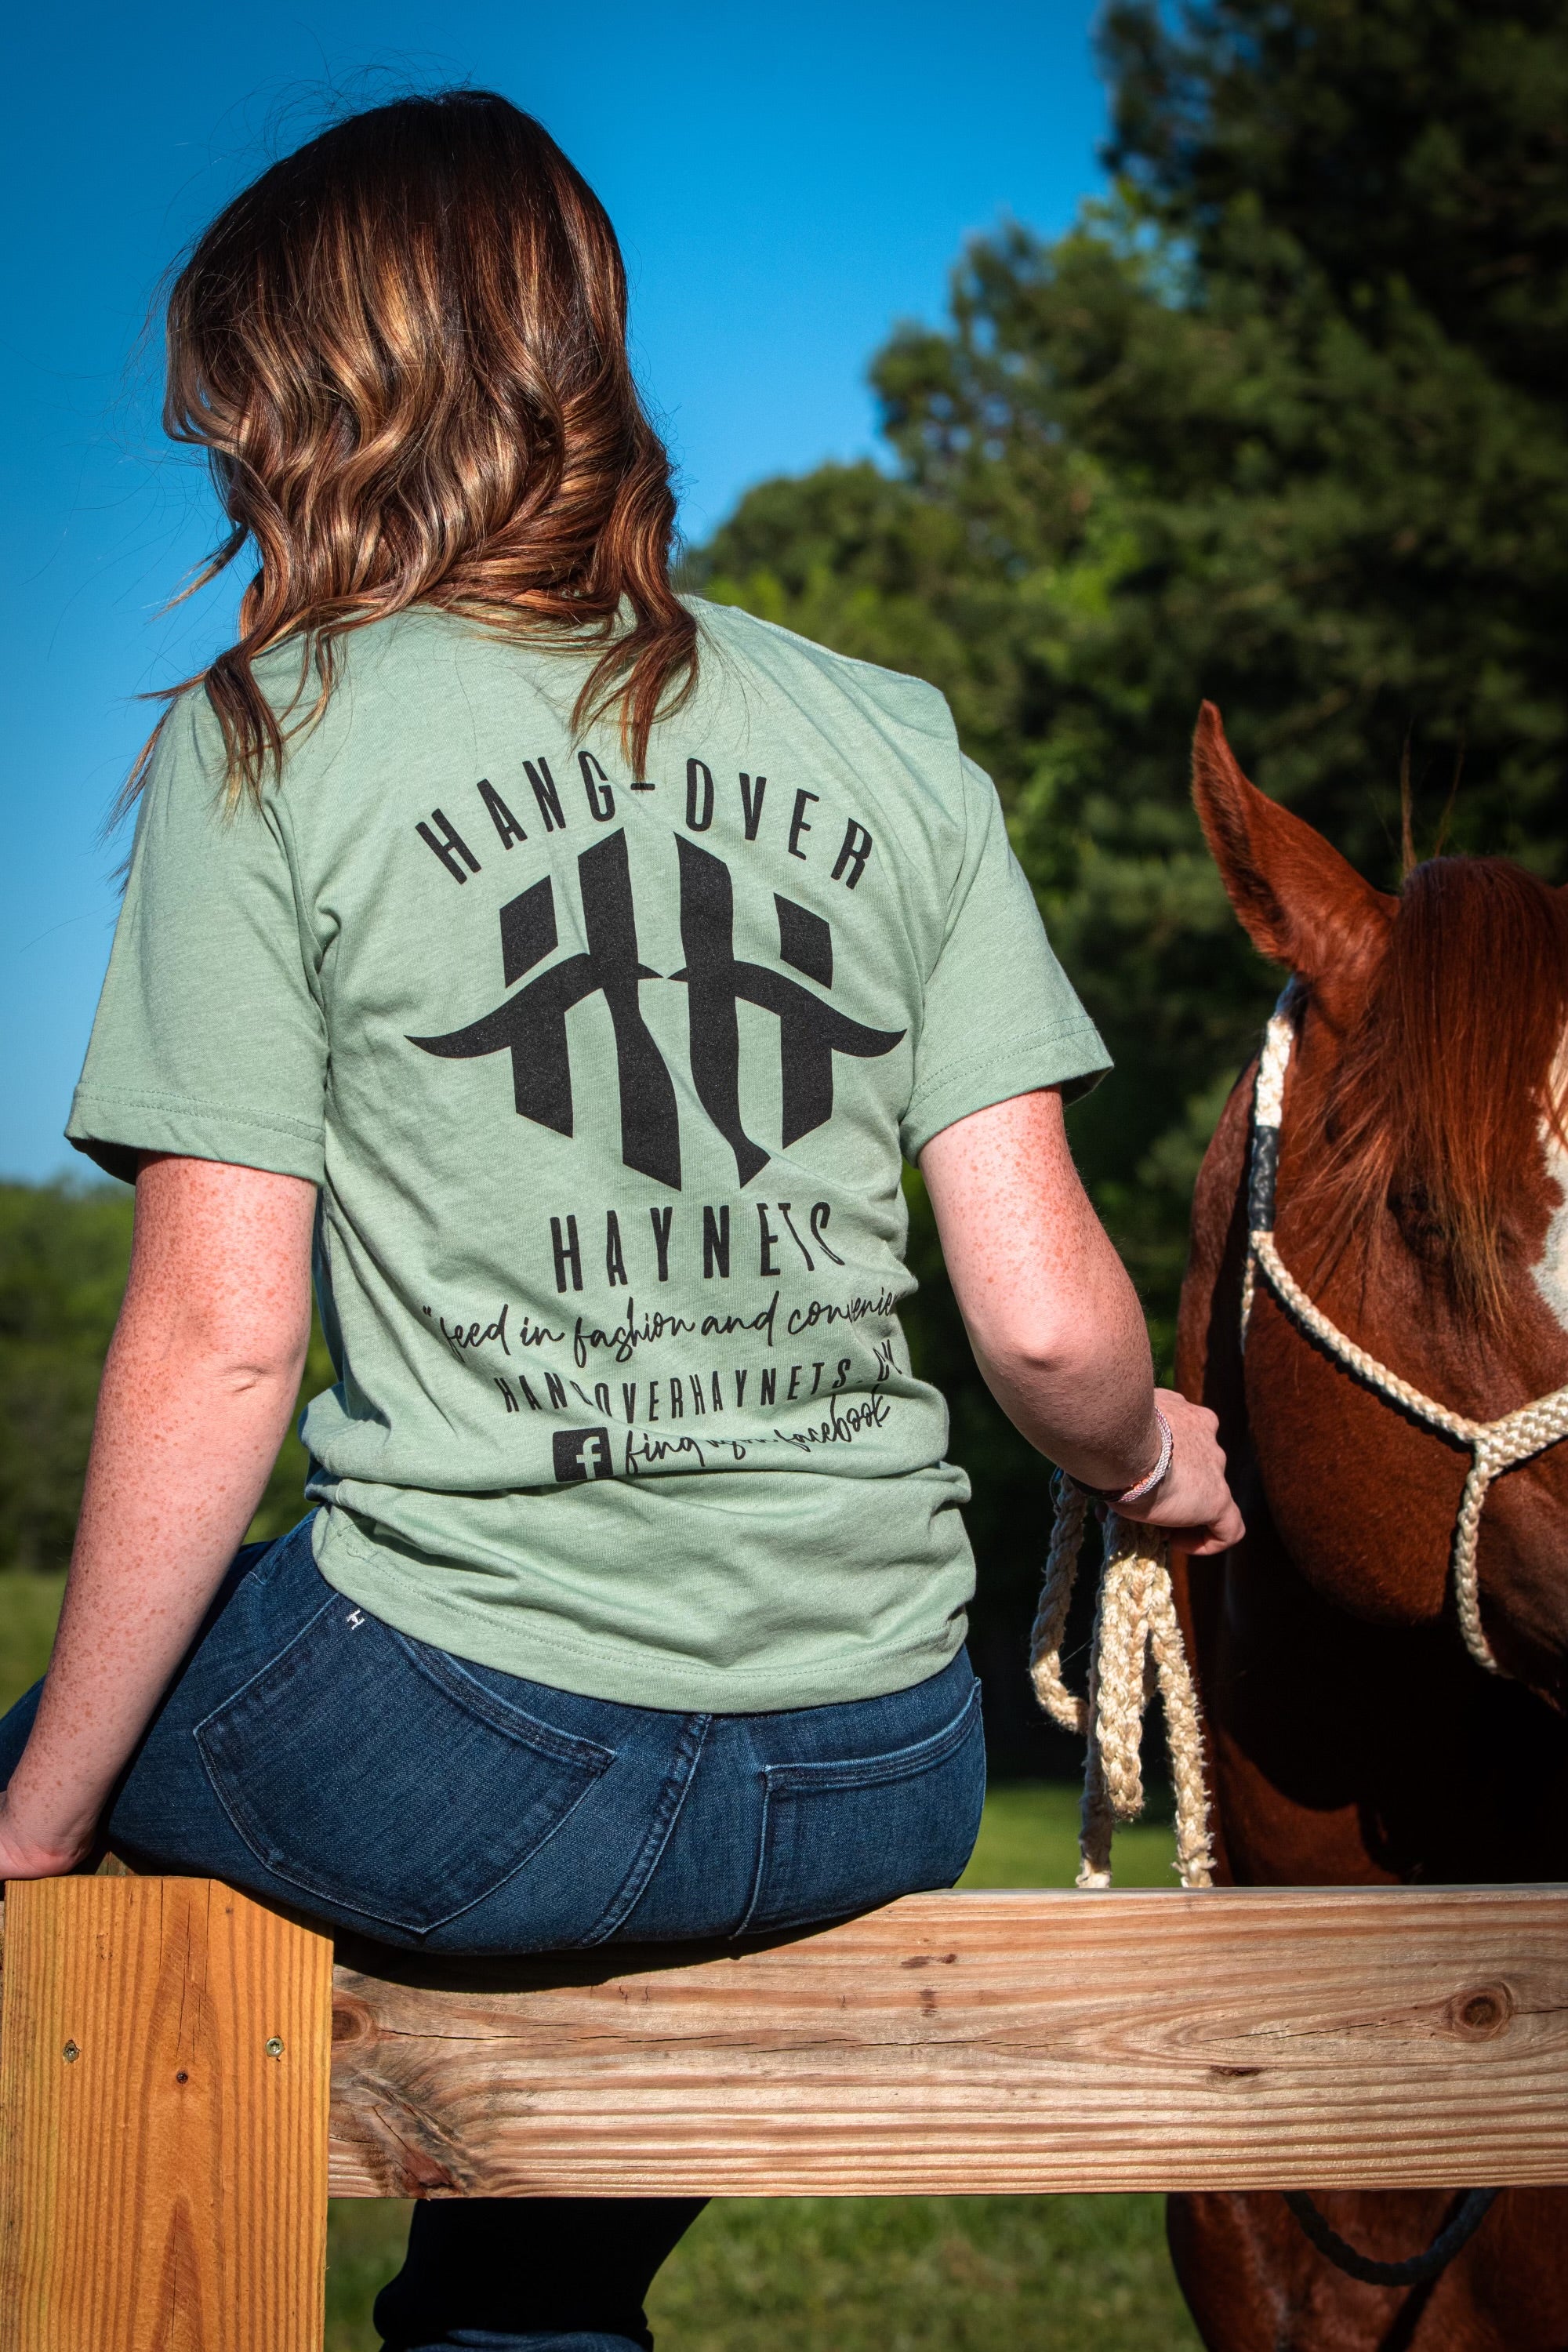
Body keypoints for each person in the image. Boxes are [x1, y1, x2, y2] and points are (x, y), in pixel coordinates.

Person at [0, 92, 1243, 2352]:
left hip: (466, 1746)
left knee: (31, 1770)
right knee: (525, 2289)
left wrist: (38, 1822)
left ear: (328, 408)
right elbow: (1055, 1338)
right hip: (884, 1761)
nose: (228, 481)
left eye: (239, 429)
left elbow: (219, 1342)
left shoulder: (269, 737)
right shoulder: (889, 735)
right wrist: (1159, 1460)